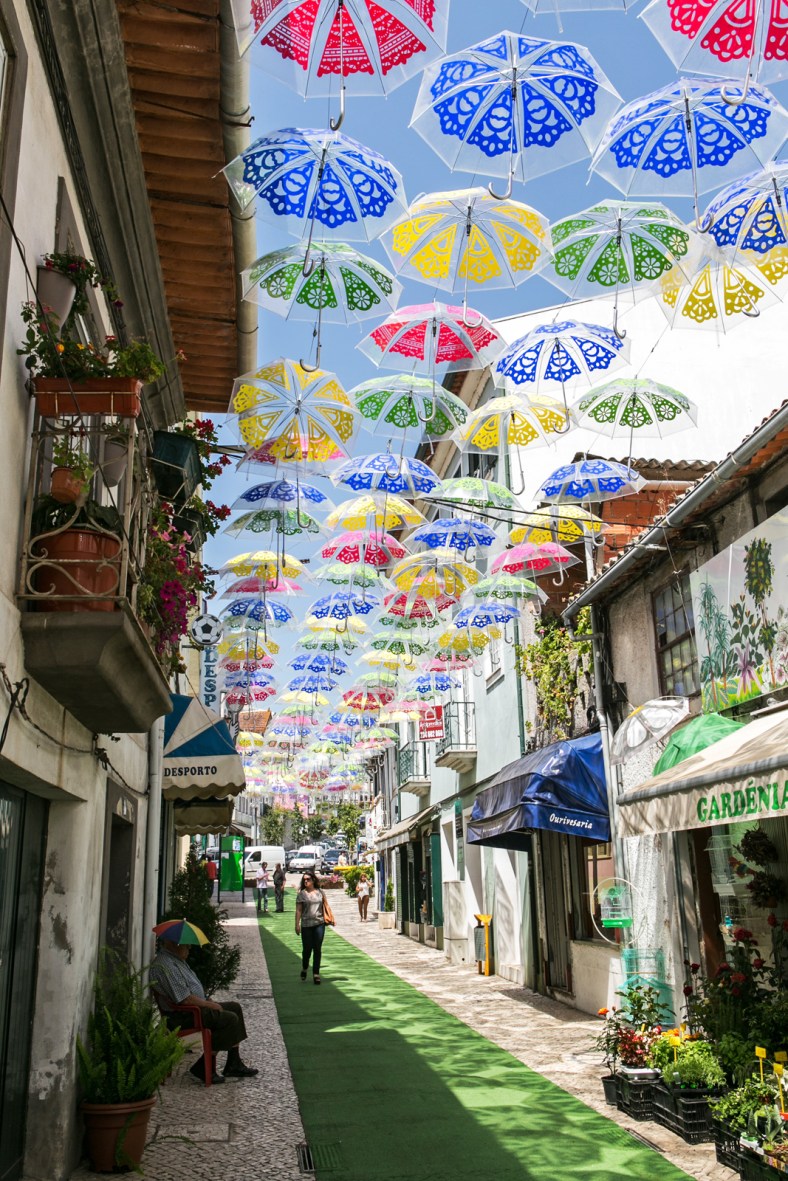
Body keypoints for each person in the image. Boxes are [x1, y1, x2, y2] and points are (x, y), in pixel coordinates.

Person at [149, 937, 258, 1083]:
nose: (189, 949)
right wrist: (208, 1005)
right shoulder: (166, 965)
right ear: (175, 945)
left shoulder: (177, 961)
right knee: (229, 1019)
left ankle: (233, 1063)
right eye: (187, 946)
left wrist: (207, 1000)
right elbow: (184, 999)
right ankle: (204, 1066)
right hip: (184, 1014)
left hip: (194, 1008)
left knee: (234, 1007)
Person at [295, 872, 328, 985]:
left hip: (319, 923)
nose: (306, 881)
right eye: (304, 880)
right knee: (307, 949)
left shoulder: (320, 892)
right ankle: (305, 967)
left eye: (308, 879)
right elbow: (299, 910)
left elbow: (325, 906)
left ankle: (316, 973)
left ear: (313, 880)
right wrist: (297, 924)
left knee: (317, 948)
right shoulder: (302, 894)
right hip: (306, 925)